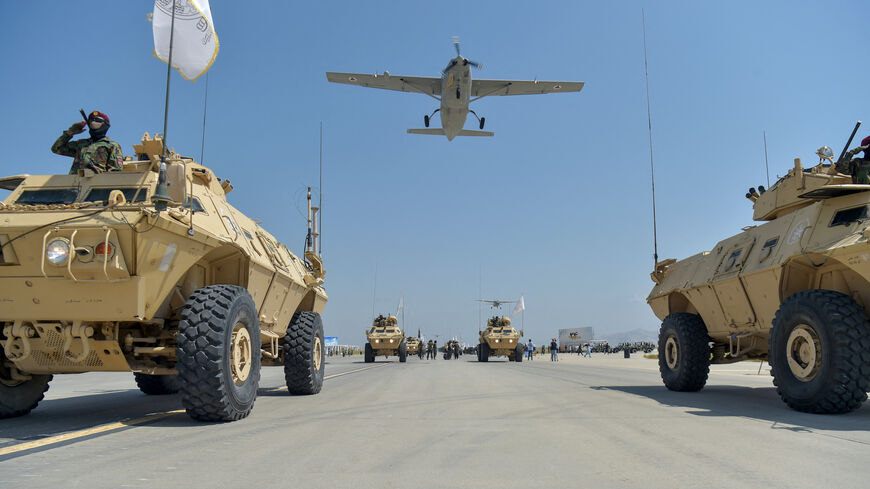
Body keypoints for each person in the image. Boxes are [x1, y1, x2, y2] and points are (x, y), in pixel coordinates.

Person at [51, 111, 124, 174]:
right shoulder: (81, 144)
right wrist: (70, 132)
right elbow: (56, 148)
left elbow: (115, 173)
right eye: (91, 121)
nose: (93, 123)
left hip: (96, 184)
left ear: (105, 125)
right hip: (74, 183)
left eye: (97, 120)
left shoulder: (112, 146)